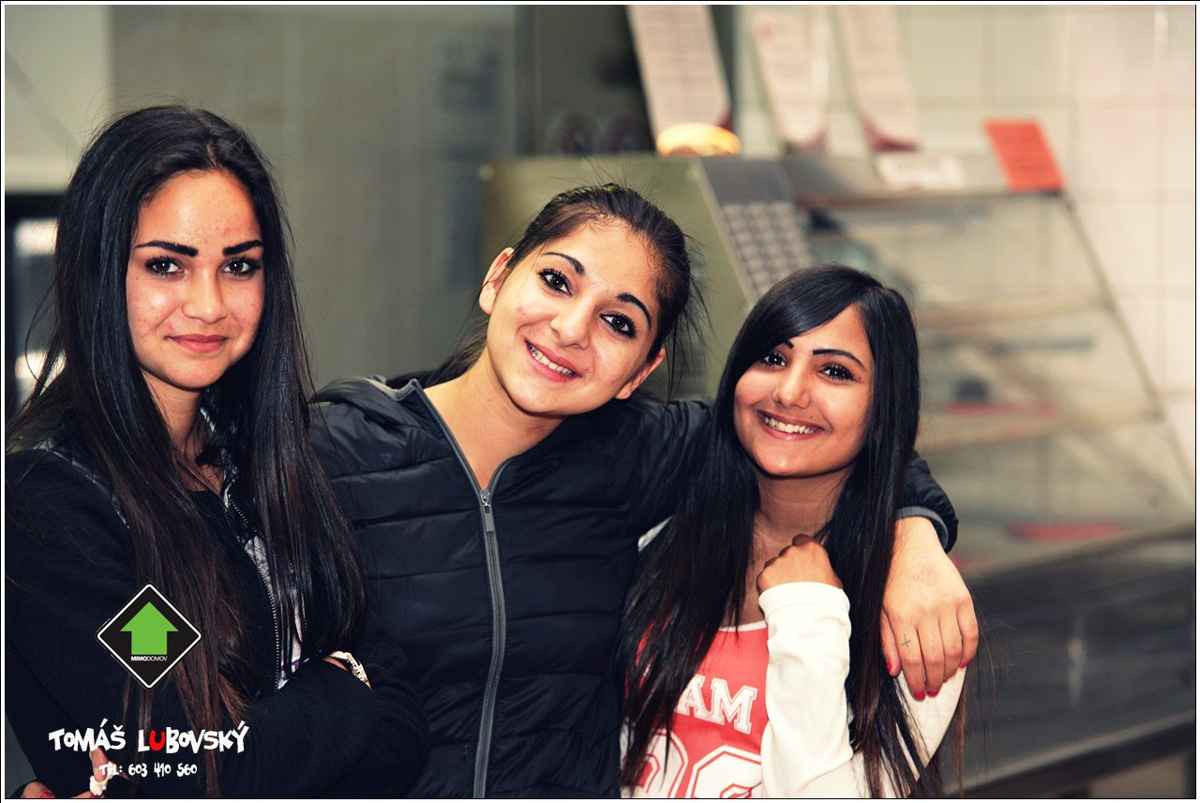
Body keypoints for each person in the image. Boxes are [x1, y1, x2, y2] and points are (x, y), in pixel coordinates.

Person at [310, 186, 976, 797]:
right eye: (555, 281)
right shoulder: (331, 451)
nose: (571, 327)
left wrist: (916, 535)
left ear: (643, 369)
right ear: (497, 277)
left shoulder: (633, 454)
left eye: (619, 322)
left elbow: (822, 441)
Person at [6, 106, 427, 798]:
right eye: (166, 265)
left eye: (238, 265)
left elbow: (406, 732)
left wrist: (258, 736)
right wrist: (344, 682)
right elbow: (198, 765)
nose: (208, 305)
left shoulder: (270, 462)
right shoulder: (51, 502)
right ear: (97, 271)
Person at [621, 265, 966, 798]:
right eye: (774, 358)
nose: (789, 392)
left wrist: (808, 609)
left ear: (883, 408)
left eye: (835, 372)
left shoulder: (913, 610)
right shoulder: (661, 535)